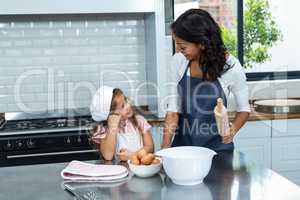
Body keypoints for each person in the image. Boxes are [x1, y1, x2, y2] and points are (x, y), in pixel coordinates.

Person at [161, 9, 250, 152]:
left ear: (202, 43)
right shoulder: (179, 61)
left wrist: (231, 131)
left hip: (218, 151)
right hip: (183, 150)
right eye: (176, 44)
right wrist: (165, 148)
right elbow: (173, 111)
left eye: (182, 46)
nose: (178, 50)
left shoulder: (232, 67)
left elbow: (244, 110)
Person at [90, 86, 154, 161]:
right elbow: (108, 156)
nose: (127, 106)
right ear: (111, 116)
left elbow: (150, 147)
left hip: (139, 168)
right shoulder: (104, 129)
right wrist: (112, 127)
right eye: (122, 106)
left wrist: (133, 156)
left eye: (126, 100)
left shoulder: (140, 121)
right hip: (116, 170)